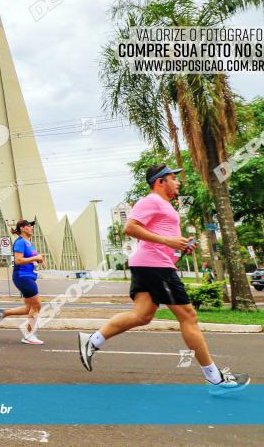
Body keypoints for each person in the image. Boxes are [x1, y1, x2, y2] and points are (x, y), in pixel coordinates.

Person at [77, 164, 250, 395]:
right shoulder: (150, 201)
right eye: (173, 178)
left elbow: (161, 237)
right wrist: (168, 242)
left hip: (149, 264)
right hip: (154, 266)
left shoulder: (165, 206)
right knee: (188, 316)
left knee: (142, 315)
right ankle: (215, 379)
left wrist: (180, 246)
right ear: (160, 182)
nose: (178, 182)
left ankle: (93, 340)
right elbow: (130, 227)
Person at [0, 219, 46, 344]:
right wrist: (35, 258)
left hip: (29, 276)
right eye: (29, 226)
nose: (31, 228)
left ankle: (3, 313)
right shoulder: (20, 242)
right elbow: (18, 260)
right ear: (22, 228)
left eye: (31, 226)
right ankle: (29, 335)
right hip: (22, 276)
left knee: (29, 308)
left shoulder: (29, 243)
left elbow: (33, 258)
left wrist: (40, 259)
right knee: (37, 305)